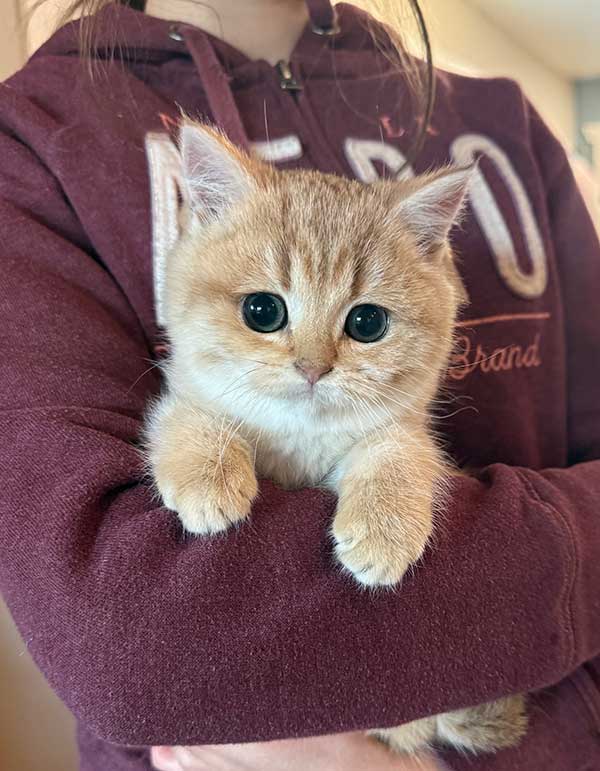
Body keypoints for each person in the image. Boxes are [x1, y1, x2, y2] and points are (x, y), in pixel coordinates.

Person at [1, 1, 599, 770]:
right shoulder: (33, 135)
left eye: (364, 323)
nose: (312, 361)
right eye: (264, 312)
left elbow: (398, 442)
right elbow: (121, 643)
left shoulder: (505, 121)